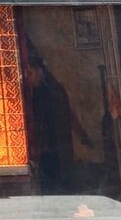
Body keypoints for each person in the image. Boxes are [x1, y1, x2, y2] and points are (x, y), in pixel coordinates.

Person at [24, 56, 77, 194]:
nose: (29, 78)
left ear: (40, 71)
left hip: (53, 147)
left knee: (54, 184)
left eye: (31, 73)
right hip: (48, 147)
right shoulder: (40, 90)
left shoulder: (50, 91)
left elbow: (52, 122)